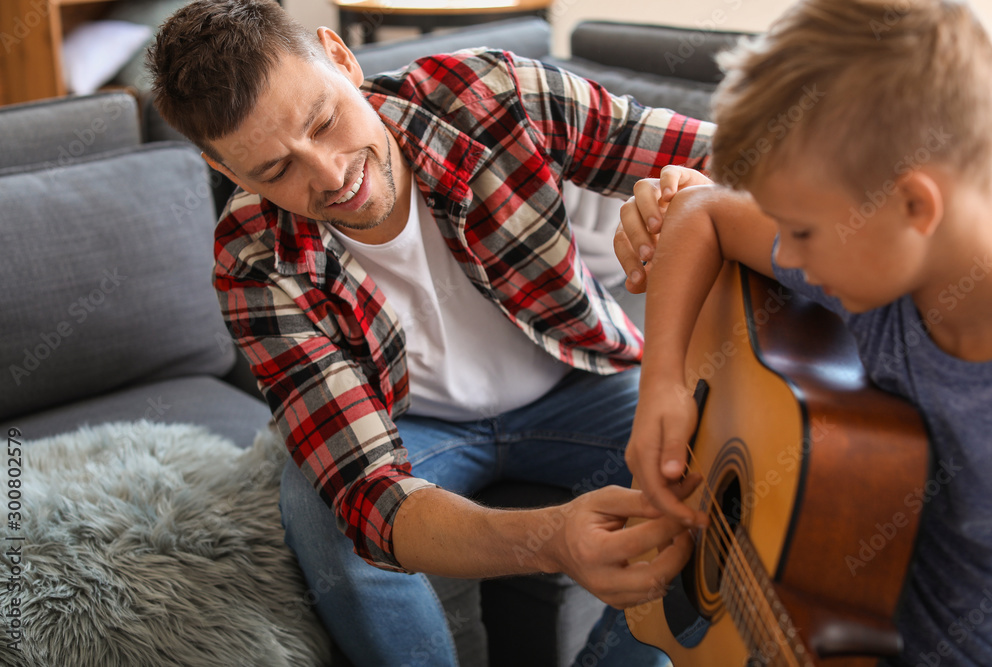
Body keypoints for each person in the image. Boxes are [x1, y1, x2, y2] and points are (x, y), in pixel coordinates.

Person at [146, 1, 714, 664]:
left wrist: (686, 191)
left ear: (342, 57)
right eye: (275, 172)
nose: (332, 176)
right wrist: (554, 538)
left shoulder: (495, 97)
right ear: (229, 173)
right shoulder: (250, 260)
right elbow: (371, 496)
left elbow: (742, 154)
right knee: (321, 511)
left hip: (580, 381)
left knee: (718, 450)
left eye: (325, 120)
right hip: (416, 428)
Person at [615, 0, 992, 664]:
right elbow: (702, 211)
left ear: (913, 204)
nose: (785, 255)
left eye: (803, 231)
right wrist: (662, 383)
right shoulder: (886, 265)